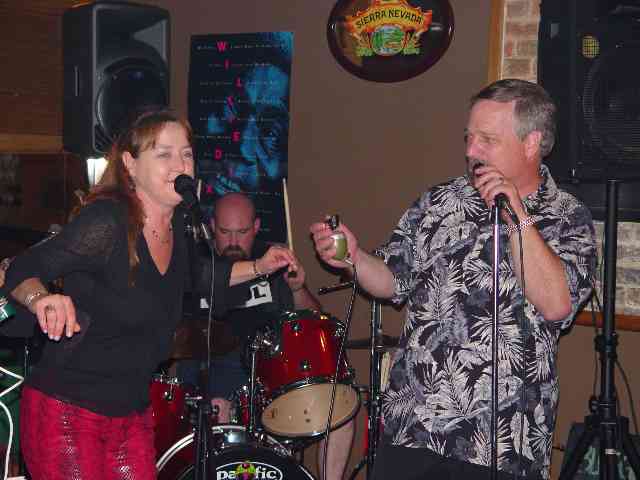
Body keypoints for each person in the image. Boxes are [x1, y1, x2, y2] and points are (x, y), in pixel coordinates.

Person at [310, 79, 597, 480]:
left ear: (531, 143)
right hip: (413, 425)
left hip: (500, 441)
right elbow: (392, 280)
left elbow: (556, 304)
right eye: (468, 137)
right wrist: (353, 259)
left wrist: (517, 215)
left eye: (487, 139)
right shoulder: (440, 202)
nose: (471, 150)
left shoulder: (568, 216)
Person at [0, 109, 298, 480]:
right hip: (70, 412)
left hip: (131, 414)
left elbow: (202, 275)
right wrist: (40, 299)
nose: (180, 164)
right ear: (130, 165)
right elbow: (21, 269)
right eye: (164, 154)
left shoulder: (179, 226)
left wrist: (260, 266)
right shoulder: (107, 221)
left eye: (186, 154)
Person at [190, 192, 355, 480]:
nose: (233, 241)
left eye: (242, 232)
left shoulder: (273, 259)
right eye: (225, 232)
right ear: (212, 226)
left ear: (255, 227)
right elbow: (179, 349)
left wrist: (297, 289)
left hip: (270, 384)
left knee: (339, 408)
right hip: (214, 382)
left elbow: (313, 323)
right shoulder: (199, 267)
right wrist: (206, 399)